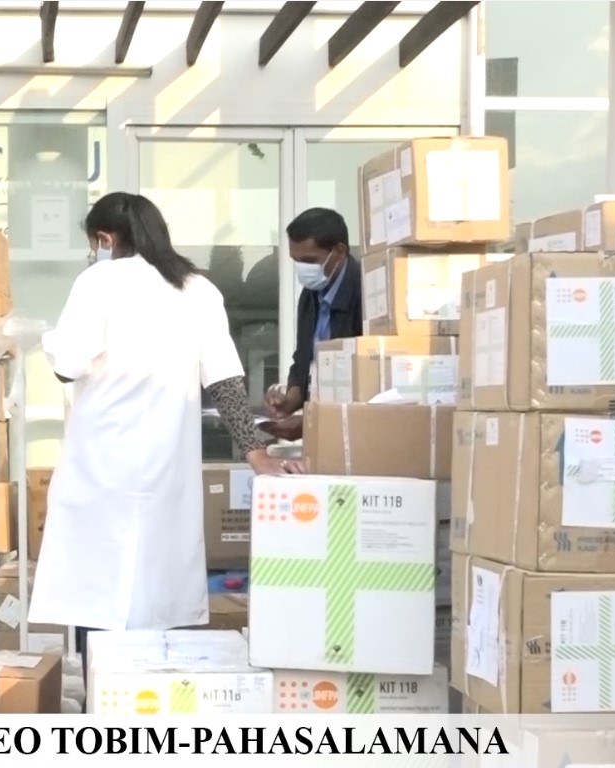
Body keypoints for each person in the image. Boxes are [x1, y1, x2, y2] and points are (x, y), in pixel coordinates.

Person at [26, 192, 299, 674]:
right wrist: (257, 454)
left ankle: (103, 703)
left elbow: (67, 365)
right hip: (165, 473)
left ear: (105, 238)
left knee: (100, 600)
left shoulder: (99, 282)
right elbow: (226, 383)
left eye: (94, 244)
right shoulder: (199, 290)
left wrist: (44, 338)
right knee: (157, 604)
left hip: (103, 470)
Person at [261, 207, 363, 440]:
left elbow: (369, 383)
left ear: (339, 251)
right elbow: (304, 359)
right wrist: (289, 400)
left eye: (309, 260)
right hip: (324, 432)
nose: (302, 269)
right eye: (296, 261)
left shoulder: (364, 294)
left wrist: (309, 423)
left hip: (357, 434)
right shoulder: (310, 296)